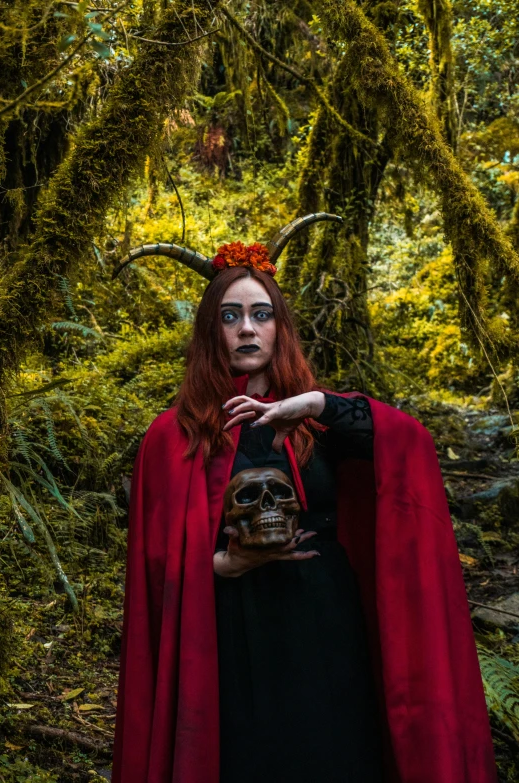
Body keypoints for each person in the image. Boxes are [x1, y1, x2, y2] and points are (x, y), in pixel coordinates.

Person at [111, 215, 498, 783]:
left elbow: (404, 444)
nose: (247, 329)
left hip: (325, 625)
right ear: (210, 330)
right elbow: (157, 567)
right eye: (231, 316)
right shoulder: (175, 435)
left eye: (261, 315)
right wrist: (224, 563)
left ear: (279, 328)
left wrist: (315, 405)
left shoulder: (316, 419)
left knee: (335, 755)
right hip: (230, 634)